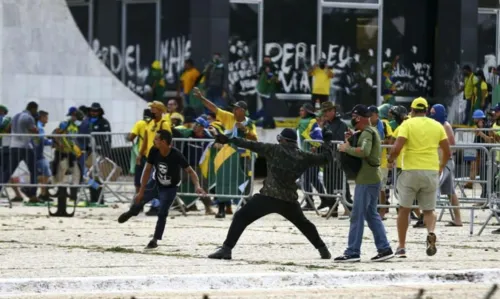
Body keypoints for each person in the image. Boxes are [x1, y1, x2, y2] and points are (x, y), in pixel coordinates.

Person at [207, 128, 336, 260]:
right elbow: (325, 158)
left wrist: (229, 140)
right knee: (305, 225)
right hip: (288, 200)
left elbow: (249, 144)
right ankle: (323, 250)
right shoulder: (303, 156)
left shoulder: (273, 149)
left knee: (241, 217)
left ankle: (226, 249)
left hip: (268, 197)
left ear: (283, 140)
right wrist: (327, 141)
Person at [118, 130, 206, 249]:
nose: (153, 141)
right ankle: (131, 212)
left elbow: (191, 171)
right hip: (155, 183)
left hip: (170, 188)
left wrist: (197, 186)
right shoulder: (154, 150)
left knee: (162, 213)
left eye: (156, 139)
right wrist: (141, 191)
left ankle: (154, 240)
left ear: (163, 142)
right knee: (139, 200)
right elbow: (147, 170)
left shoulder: (176, 154)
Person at [388, 97, 451, 258]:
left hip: (410, 170)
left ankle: (401, 247)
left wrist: (390, 160)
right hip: (430, 170)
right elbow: (447, 150)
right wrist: (441, 166)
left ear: (412, 109)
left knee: (404, 209)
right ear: (427, 110)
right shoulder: (437, 125)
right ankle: (430, 232)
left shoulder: (407, 124)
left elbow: (397, 147)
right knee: (429, 210)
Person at [334, 105, 393, 262]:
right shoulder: (368, 131)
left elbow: (365, 151)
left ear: (359, 117)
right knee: (371, 215)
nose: (352, 119)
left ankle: (353, 251)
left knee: (357, 215)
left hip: (366, 179)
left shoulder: (367, 132)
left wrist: (346, 149)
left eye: (354, 116)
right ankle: (384, 248)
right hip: (371, 178)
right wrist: (352, 139)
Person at [429, 104, 462, 227]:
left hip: (445, 162)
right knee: (450, 192)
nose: (432, 115)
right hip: (440, 161)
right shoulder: (436, 125)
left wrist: (442, 162)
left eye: (433, 113)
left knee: (433, 186)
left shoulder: (446, 126)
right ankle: (458, 219)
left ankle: (428, 216)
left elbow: (452, 145)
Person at [1, 101, 39, 203]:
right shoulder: (29, 117)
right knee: (34, 171)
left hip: (14, 146)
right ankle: (33, 195)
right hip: (26, 147)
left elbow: (9, 128)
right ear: (33, 109)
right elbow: (34, 130)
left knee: (8, 171)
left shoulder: (15, 116)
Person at [318, 101, 352, 216]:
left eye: (328, 111)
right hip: (328, 159)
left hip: (338, 159)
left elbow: (339, 140)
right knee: (328, 184)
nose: (326, 113)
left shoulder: (341, 124)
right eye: (324, 111)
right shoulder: (326, 124)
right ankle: (333, 209)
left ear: (334, 111)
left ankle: (348, 208)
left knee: (342, 184)